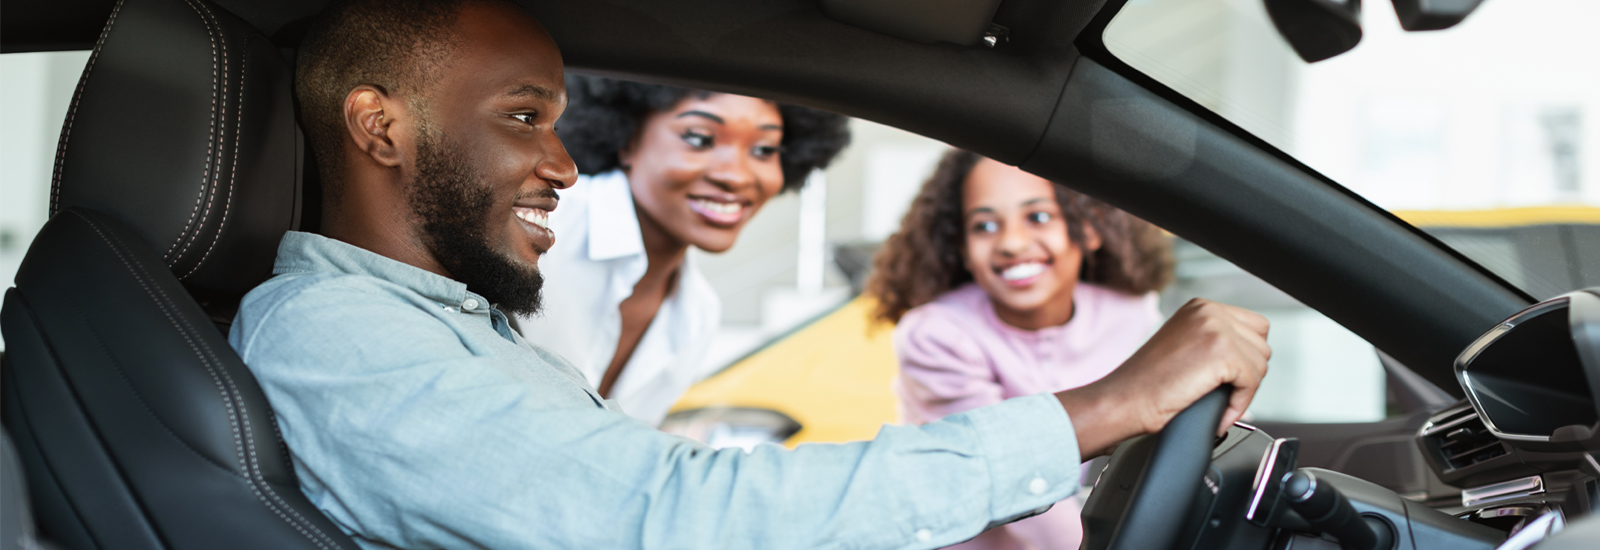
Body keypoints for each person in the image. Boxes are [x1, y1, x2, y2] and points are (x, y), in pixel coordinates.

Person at [231, 0, 1271, 548]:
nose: (561, 165)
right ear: (380, 126)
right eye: (521, 119)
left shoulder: (454, 320)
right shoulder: (336, 331)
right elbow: (665, 514)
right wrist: (1110, 403)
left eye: (555, 123)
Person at [867, 150, 1175, 550]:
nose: (1011, 242)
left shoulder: (1133, 316)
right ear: (961, 247)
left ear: (1090, 228)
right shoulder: (937, 335)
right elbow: (1012, 478)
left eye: (1038, 217)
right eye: (985, 225)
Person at [514, 76, 850, 425]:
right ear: (628, 139)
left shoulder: (697, 314)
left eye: (764, 150)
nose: (735, 176)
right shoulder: (547, 223)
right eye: (700, 139)